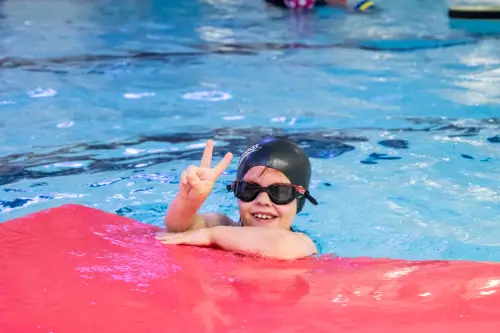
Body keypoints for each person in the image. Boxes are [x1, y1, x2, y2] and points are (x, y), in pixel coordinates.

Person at [156, 136, 319, 260]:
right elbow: (178, 229)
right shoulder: (222, 223)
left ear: (300, 200)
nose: (262, 200)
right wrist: (188, 203)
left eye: (280, 192)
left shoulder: (301, 242)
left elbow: (278, 245)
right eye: (249, 189)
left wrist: (212, 235)